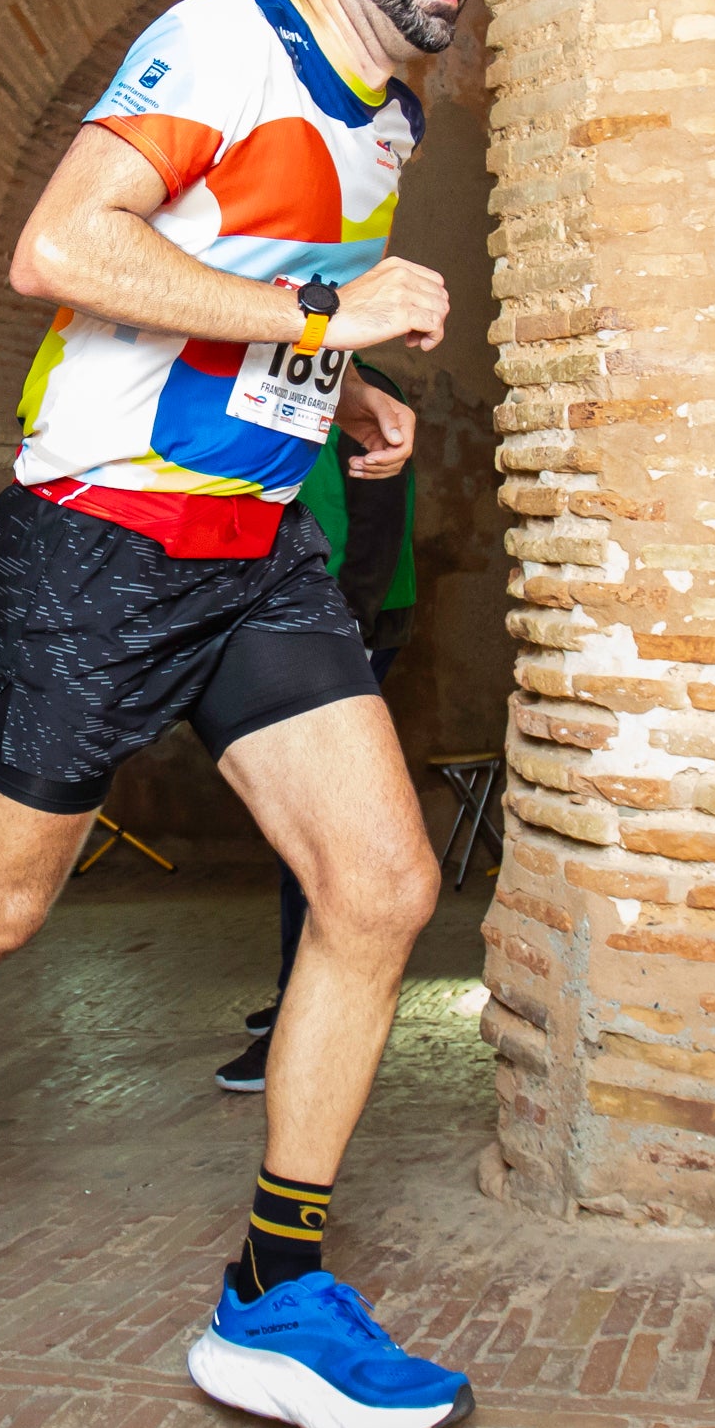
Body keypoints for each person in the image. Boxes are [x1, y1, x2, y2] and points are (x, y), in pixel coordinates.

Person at [0, 0, 485, 1428]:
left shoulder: (395, 106)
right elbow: (62, 249)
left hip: (250, 553)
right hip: (96, 545)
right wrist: (330, 317)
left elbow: (239, 280)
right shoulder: (227, 40)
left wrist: (341, 388)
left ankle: (274, 1296)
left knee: (381, 884)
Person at [218, 383, 422, 1094]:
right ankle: (296, 994)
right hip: (320, 620)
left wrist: (350, 634)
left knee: (321, 839)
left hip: (342, 623)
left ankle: (294, 1033)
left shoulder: (347, 388)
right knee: (300, 838)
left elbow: (373, 522)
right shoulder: (296, 372)